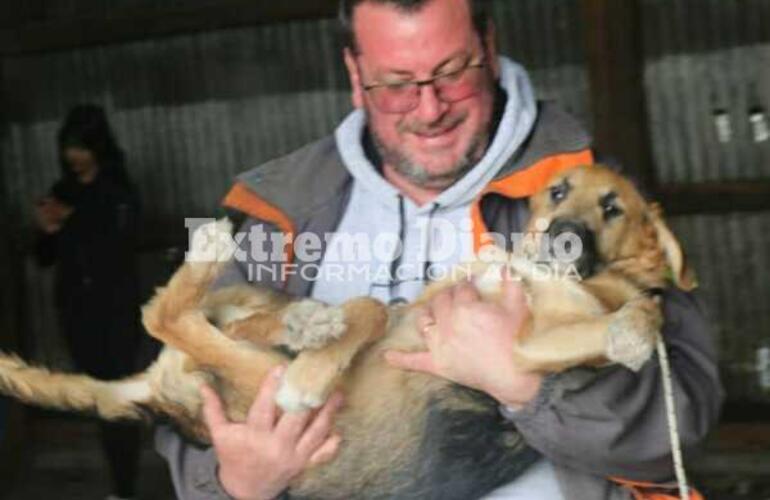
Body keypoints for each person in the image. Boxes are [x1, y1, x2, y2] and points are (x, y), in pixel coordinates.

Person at [155, 0, 723, 498]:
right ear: (356, 74)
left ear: (490, 49)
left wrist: (525, 384)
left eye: (452, 73)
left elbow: (683, 419)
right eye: (397, 83)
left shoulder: (587, 194)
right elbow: (178, 389)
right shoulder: (277, 207)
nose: (429, 110)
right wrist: (234, 485)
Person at [34, 104, 143, 500]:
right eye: (68, 147)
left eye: (81, 147)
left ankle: (124, 489)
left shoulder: (117, 189)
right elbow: (44, 258)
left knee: (115, 398)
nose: (73, 156)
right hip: (76, 312)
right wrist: (47, 231)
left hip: (114, 310)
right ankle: (120, 483)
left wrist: (72, 220)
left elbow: (119, 246)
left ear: (98, 147)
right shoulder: (62, 191)